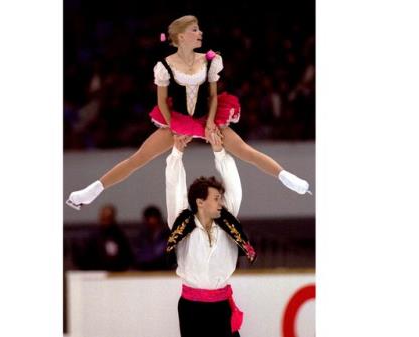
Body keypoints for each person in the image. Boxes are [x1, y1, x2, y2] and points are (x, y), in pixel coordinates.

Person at [66, 14, 309, 211]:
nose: (200, 32)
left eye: (200, 29)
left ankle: (287, 178)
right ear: (181, 36)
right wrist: (173, 126)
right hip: (178, 119)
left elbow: (213, 96)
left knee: (247, 151)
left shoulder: (211, 59)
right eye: (195, 29)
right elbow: (161, 101)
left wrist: (212, 122)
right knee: (138, 158)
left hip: (208, 117)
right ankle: (91, 191)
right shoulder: (164, 66)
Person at [165, 134, 254, 337]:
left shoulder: (227, 221)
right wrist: (177, 153)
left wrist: (219, 152)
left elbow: (234, 187)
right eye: (215, 198)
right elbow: (174, 188)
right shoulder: (181, 222)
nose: (221, 202)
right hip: (191, 308)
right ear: (200, 201)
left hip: (221, 305)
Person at [80, 204, 134, 271]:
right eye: (103, 218)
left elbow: (127, 255)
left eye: (108, 218)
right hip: (98, 272)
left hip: (117, 271)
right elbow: (87, 257)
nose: (105, 221)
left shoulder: (119, 235)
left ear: (113, 218)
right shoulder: (93, 237)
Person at [134, 205, 172, 270]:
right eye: (149, 219)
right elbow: (139, 255)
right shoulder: (142, 236)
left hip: (163, 268)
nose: (152, 221)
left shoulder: (167, 235)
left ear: (159, 219)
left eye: (154, 218)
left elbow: (167, 255)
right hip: (144, 268)